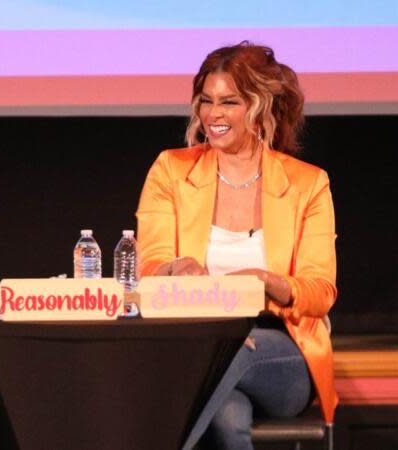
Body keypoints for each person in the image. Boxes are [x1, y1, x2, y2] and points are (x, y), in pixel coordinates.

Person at [135, 42, 337, 449]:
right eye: (206, 101)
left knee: (231, 353)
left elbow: (320, 292)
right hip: (194, 338)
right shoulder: (171, 171)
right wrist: (174, 268)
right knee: (228, 417)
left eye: (229, 102)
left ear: (261, 107)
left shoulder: (307, 183)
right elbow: (149, 268)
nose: (213, 114)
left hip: (278, 346)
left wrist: (266, 282)